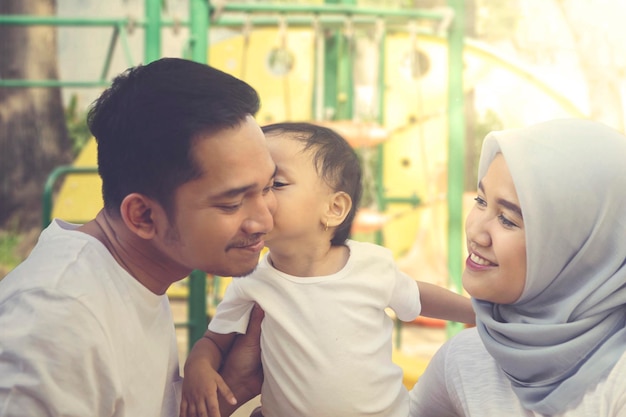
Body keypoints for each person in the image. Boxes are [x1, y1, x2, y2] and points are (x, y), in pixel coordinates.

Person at [0, 57, 275, 417]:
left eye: (270, 186)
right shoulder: (57, 322)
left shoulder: (137, 275)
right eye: (232, 203)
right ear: (143, 216)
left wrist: (230, 393)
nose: (264, 220)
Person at [181, 122, 476, 417]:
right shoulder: (252, 281)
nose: (259, 199)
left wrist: (476, 312)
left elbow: (419, 296)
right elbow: (214, 341)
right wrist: (199, 366)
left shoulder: (369, 265)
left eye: (275, 185)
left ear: (334, 209)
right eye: (251, 186)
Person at [408, 118, 626, 416]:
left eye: (508, 219)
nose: (475, 232)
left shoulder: (617, 379)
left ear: (583, 249)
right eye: (481, 201)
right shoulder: (466, 358)